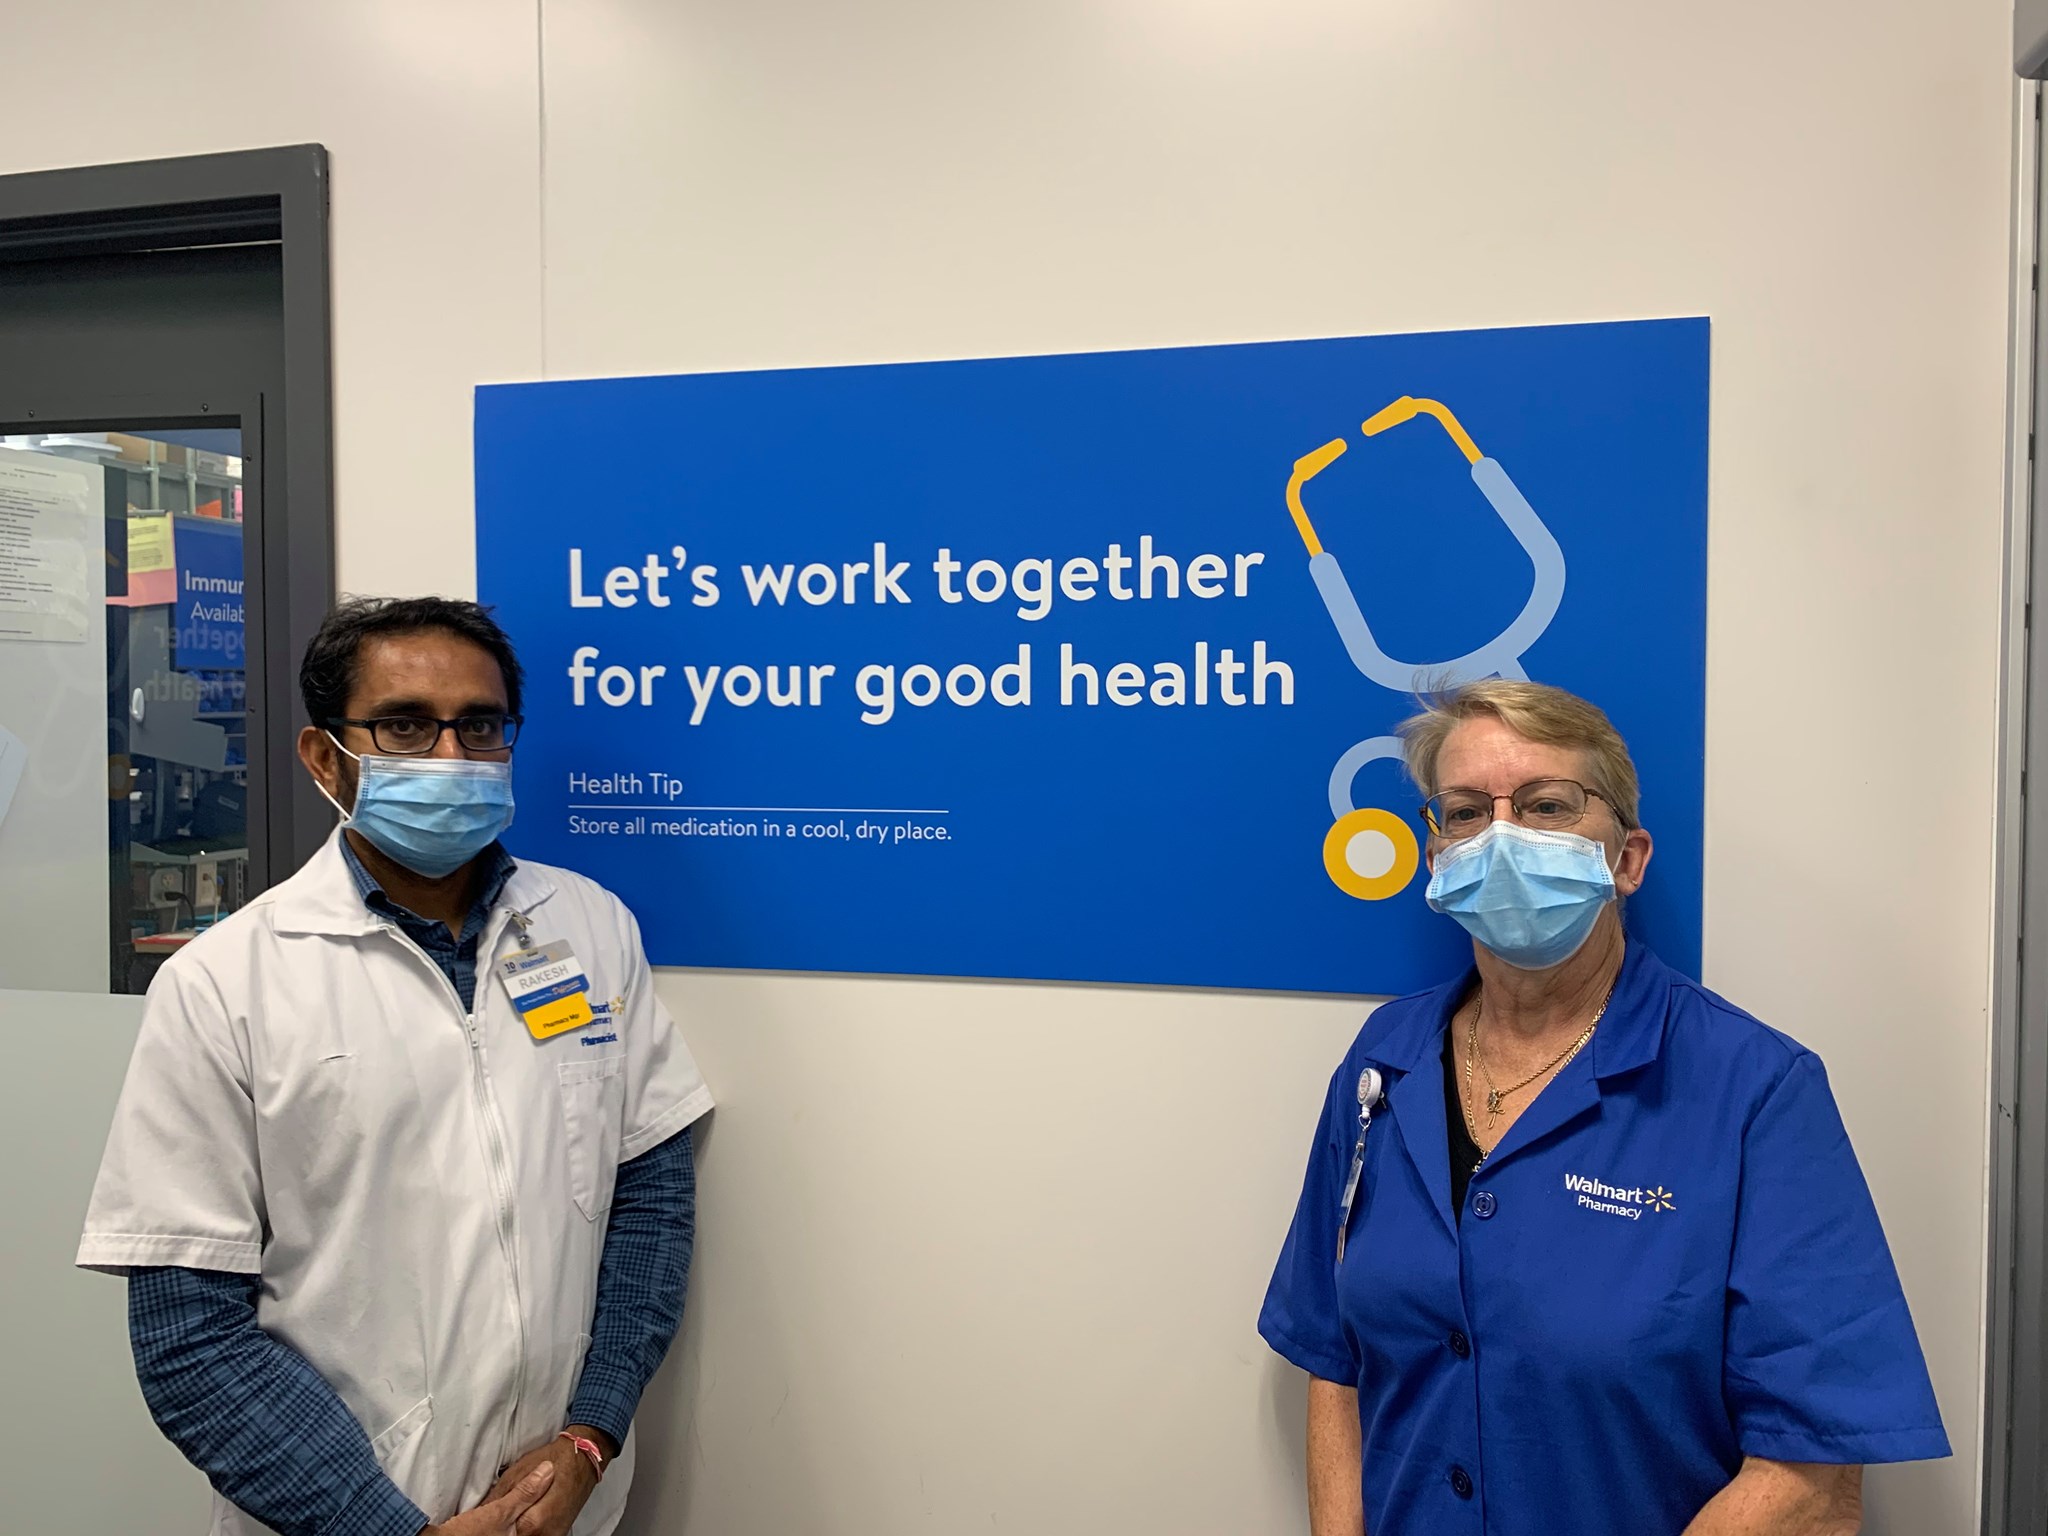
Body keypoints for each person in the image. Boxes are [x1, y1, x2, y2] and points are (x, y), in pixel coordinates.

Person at [79, 596, 712, 1536]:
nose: (451, 756)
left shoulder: (589, 927)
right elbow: (191, 1334)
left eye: (480, 726)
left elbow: (648, 1198)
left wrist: (589, 1438)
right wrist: (390, 1529)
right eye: (406, 726)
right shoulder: (225, 984)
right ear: (324, 757)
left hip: (559, 1508)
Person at [1259, 680, 1946, 1536]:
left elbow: (1812, 1477)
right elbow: (1335, 1359)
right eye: (1466, 813)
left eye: (1546, 805)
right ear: (1435, 856)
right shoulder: (1383, 1063)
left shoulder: (1752, 1090)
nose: (1502, 838)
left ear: (1628, 859)